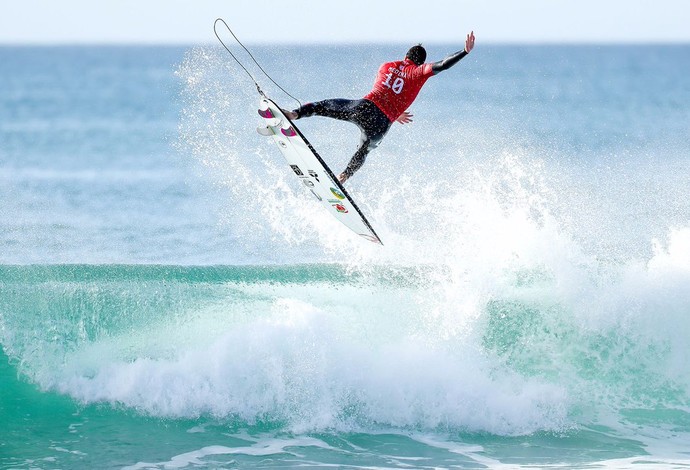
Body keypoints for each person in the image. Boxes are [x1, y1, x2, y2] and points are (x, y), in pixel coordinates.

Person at [284, 31, 475, 184]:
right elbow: (442, 65)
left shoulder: (386, 65)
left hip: (364, 108)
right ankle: (343, 177)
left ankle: (294, 114)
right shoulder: (418, 72)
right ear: (421, 62)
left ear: (406, 55)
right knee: (363, 150)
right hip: (382, 124)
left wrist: (393, 108)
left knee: (323, 107)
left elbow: (387, 89)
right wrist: (464, 52)